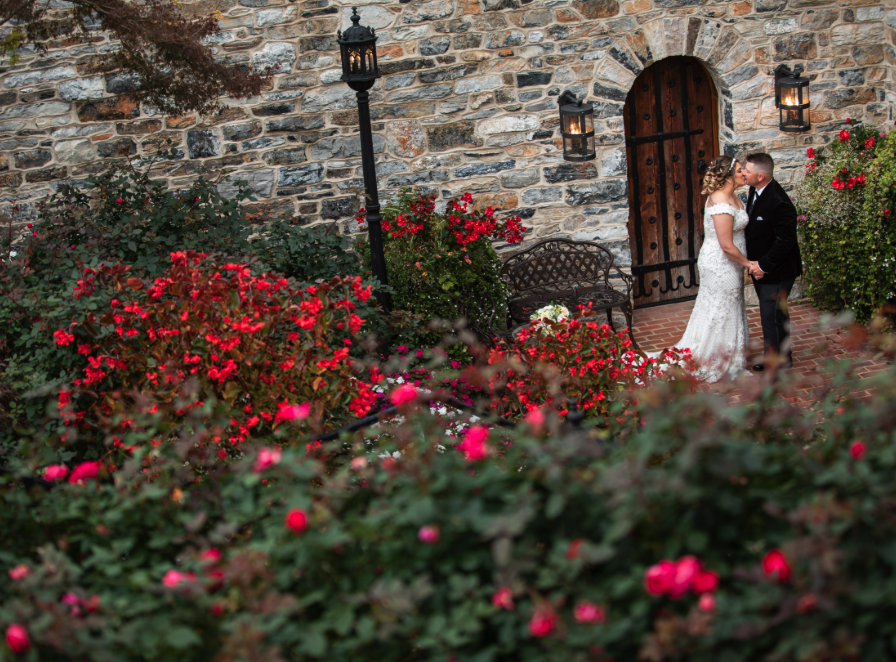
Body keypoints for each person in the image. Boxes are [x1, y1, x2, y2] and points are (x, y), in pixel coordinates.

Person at [651, 156, 751, 383]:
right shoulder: (721, 201)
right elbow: (726, 245)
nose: (743, 173)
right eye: (738, 170)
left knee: (730, 306)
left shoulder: (733, 196)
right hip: (721, 264)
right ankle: (715, 359)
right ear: (727, 177)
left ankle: (730, 357)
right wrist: (748, 264)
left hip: (730, 264)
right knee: (720, 309)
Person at [741, 153, 803, 372]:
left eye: (746, 171)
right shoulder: (754, 190)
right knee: (778, 314)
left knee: (770, 318)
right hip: (763, 268)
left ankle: (776, 365)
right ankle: (783, 357)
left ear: (760, 175)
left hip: (777, 271)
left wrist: (762, 266)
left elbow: (785, 242)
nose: (743, 173)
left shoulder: (779, 202)